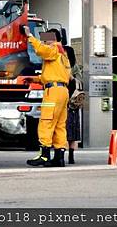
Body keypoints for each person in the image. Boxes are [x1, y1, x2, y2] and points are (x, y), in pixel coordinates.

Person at [23, 27, 71, 167]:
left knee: (46, 121)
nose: (44, 41)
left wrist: (30, 36)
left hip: (53, 92)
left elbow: (41, 50)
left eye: (46, 38)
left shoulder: (54, 48)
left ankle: (44, 156)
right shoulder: (63, 54)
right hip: (62, 91)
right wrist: (35, 79)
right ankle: (59, 157)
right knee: (59, 125)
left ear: (53, 38)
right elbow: (55, 74)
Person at [64, 45, 82, 164]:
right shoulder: (76, 69)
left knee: (63, 129)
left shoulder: (64, 67)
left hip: (65, 102)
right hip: (74, 104)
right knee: (73, 131)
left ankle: (61, 154)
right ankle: (71, 156)